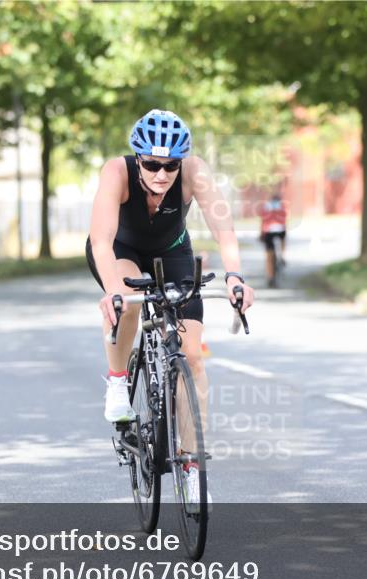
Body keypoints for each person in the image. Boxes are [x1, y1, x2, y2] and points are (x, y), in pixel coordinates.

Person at [86, 109, 255, 500]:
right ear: (138, 159)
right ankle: (117, 380)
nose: (161, 174)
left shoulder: (195, 172)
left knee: (192, 357)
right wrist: (112, 290)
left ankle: (192, 468)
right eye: (151, 165)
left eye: (170, 166)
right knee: (128, 303)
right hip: (120, 251)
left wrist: (235, 276)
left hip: (172, 252)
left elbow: (224, 228)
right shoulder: (116, 172)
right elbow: (101, 241)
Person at [259, 192, 287, 288]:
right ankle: (282, 256)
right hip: (280, 230)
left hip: (268, 231)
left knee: (269, 256)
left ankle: (271, 276)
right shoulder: (282, 206)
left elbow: (263, 221)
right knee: (283, 239)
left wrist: (261, 234)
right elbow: (284, 220)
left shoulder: (266, 206)